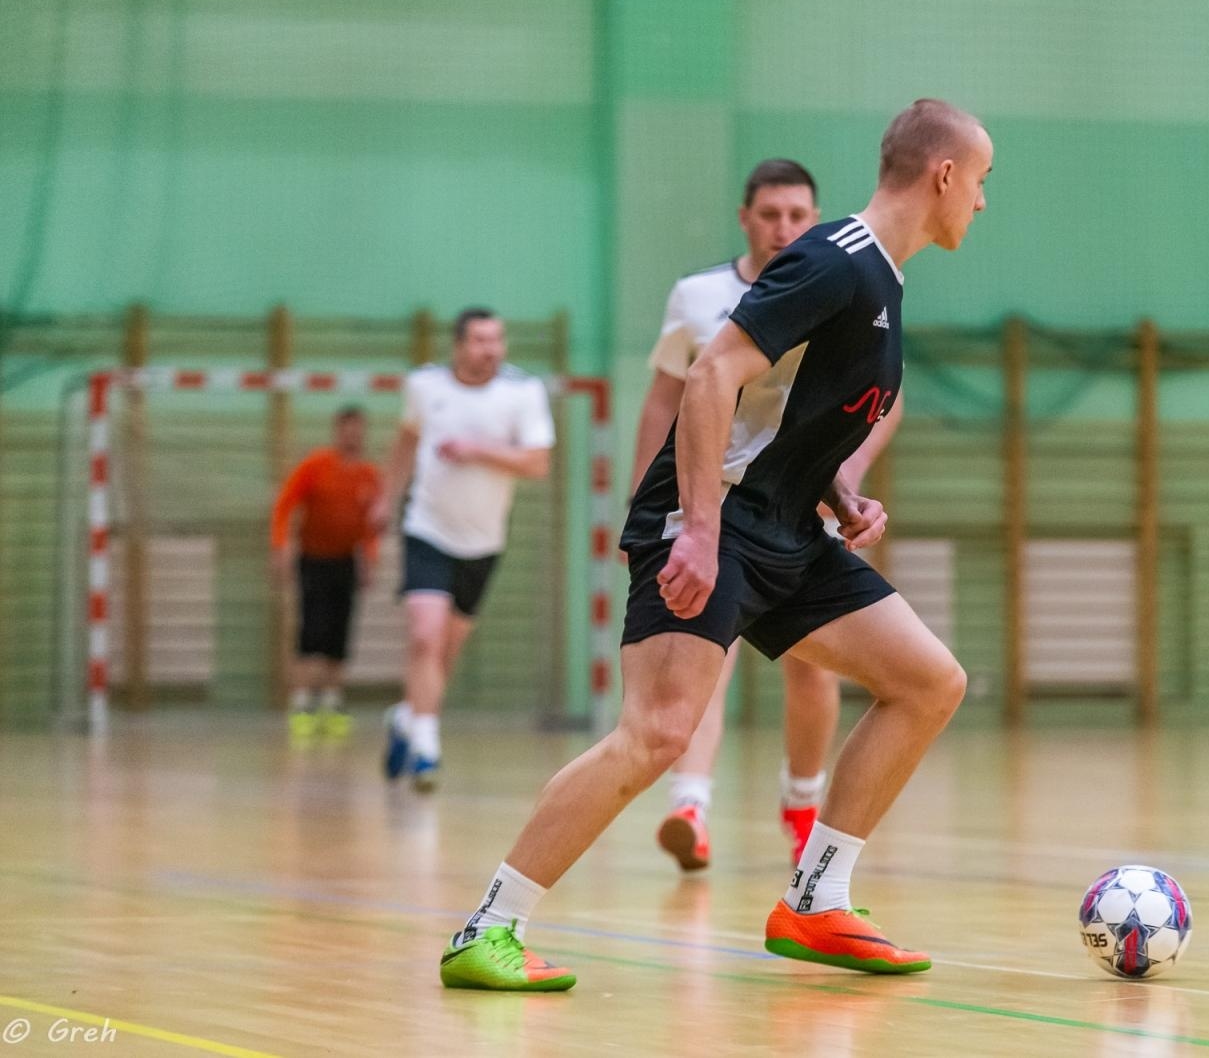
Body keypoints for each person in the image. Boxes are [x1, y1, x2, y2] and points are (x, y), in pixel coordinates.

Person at [439, 99, 990, 991]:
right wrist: (695, 530)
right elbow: (711, 373)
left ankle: (817, 901)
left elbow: (787, 413)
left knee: (928, 683)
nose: (982, 201)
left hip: (788, 528)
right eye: (983, 181)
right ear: (944, 176)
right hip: (717, 524)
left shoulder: (882, 277)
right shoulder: (835, 258)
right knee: (656, 733)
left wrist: (838, 487)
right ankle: (487, 928)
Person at [632, 158, 903, 872]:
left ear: (814, 220)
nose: (784, 227)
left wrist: (845, 477)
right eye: (770, 214)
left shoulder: (836, 281)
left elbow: (884, 390)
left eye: (797, 215)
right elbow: (670, 398)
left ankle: (803, 803)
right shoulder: (698, 298)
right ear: (745, 218)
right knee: (703, 661)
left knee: (817, 672)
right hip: (709, 506)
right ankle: (690, 803)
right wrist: (648, 512)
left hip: (797, 499)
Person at [372, 307, 556, 791]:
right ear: (459, 345)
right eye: (479, 340)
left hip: (482, 542)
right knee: (424, 637)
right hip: (426, 530)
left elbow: (538, 463)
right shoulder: (425, 386)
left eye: (497, 339)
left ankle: (408, 717)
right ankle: (426, 751)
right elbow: (406, 439)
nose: (490, 349)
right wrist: (386, 498)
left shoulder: (522, 392)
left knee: (446, 650)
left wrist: (477, 450)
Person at [270, 406, 382, 738]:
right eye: (347, 428)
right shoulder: (316, 465)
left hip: (345, 561)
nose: (353, 435)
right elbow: (285, 503)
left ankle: (332, 701)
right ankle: (302, 701)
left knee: (340, 630)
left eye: (358, 429)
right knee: (312, 629)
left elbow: (370, 527)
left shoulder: (368, 475)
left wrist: (370, 559)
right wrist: (280, 545)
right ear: (338, 430)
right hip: (313, 559)